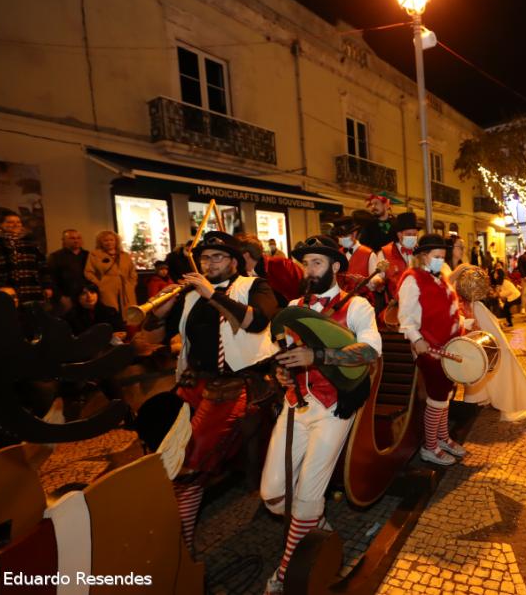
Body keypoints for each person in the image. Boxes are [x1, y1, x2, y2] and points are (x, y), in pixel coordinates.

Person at [260, 236, 382, 594]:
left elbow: (371, 352)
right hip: (296, 403)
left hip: (334, 407)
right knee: (272, 494)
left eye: (317, 263)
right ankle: (315, 522)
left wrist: (320, 357)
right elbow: (281, 353)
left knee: (309, 492)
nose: (309, 270)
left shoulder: (357, 306)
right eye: (306, 263)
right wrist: (280, 372)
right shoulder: (295, 305)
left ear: (336, 267)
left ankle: (285, 572)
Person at [145, 230, 280, 552]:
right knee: (165, 448)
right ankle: (167, 523)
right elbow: (153, 334)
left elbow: (256, 322)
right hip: (194, 383)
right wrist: (160, 312)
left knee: (191, 462)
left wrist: (211, 294)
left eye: (217, 257)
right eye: (205, 258)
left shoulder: (253, 286)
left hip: (236, 383)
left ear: (234, 261)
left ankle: (182, 547)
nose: (209, 263)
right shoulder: (191, 295)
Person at [398, 233, 476, 467]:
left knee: (447, 395)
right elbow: (406, 317)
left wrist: (465, 324)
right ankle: (429, 446)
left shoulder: (440, 276)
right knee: (437, 398)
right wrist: (416, 339)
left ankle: (442, 437)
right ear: (423, 256)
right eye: (436, 256)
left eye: (442, 257)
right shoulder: (412, 279)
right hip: (430, 348)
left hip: (449, 345)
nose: (440, 260)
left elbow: (447, 307)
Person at [0, 211, 53, 304]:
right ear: (0, 224)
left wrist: (47, 286)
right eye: (10, 222)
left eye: (18, 222)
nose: (15, 224)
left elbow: (43, 266)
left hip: (31, 289)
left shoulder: (31, 242)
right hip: (3, 290)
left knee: (32, 316)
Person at [237, 233, 305, 307]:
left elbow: (303, 287)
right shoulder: (249, 274)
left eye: (237, 256)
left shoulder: (280, 264)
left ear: (246, 255)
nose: (236, 261)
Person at [369, 212, 420, 308]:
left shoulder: (420, 252)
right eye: (409, 234)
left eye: (415, 234)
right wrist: (377, 281)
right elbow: (378, 277)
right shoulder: (385, 252)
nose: (413, 237)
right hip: (394, 307)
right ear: (399, 234)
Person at [84, 230, 138, 313]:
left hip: (126, 288)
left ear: (116, 241)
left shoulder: (124, 255)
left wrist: (131, 284)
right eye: (105, 240)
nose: (109, 242)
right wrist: (99, 284)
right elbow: (88, 272)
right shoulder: (95, 255)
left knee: (129, 313)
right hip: (107, 289)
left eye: (111, 240)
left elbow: (132, 272)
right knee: (111, 311)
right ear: (100, 242)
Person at [47, 229, 88, 314]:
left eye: (78, 238)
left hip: (86, 296)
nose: (76, 240)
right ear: (64, 240)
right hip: (66, 297)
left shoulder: (88, 255)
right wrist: (60, 297)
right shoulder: (55, 256)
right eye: (72, 238)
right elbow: (51, 278)